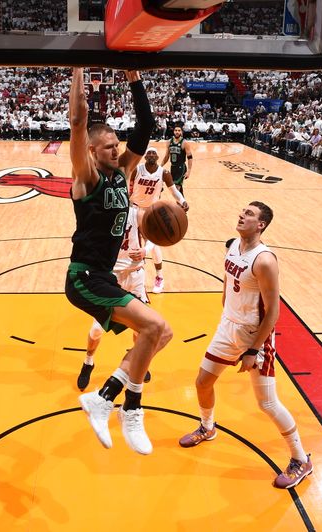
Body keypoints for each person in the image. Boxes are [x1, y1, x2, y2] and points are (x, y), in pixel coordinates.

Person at [67, 68, 171, 455]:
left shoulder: (124, 171)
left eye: (116, 144)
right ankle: (128, 406)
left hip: (105, 277)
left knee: (161, 334)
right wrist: (78, 68)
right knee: (155, 325)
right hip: (83, 278)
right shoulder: (87, 177)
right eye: (108, 145)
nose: (117, 149)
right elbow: (78, 121)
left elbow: (145, 125)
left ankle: (109, 397)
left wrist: (135, 78)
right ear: (92, 151)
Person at [178, 201, 313, 489]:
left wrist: (253, 350)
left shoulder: (264, 260)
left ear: (261, 224)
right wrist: (226, 308)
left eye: (249, 214)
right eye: (242, 211)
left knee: (267, 403)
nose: (242, 214)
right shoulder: (232, 246)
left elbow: (274, 311)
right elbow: (228, 283)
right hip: (228, 328)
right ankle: (208, 427)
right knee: (202, 382)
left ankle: (301, 459)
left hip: (255, 336)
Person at [77, 204, 152, 390]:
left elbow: (154, 237)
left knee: (141, 328)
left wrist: (145, 251)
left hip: (135, 275)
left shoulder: (137, 213)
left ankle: (137, 358)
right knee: (97, 329)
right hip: (111, 277)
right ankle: (88, 362)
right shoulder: (100, 212)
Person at [130, 146, 188, 293]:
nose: (150, 155)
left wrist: (182, 201)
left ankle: (159, 277)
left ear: (157, 157)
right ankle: (129, 275)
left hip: (151, 211)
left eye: (153, 153)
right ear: (145, 156)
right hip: (133, 209)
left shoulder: (164, 173)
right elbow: (127, 188)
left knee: (154, 245)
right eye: (148, 152)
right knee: (128, 242)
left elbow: (174, 192)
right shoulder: (137, 170)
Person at [161, 125, 194, 196]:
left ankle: (178, 205)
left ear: (181, 132)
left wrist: (189, 171)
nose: (177, 132)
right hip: (173, 167)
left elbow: (190, 157)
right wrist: (160, 166)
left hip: (181, 168)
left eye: (179, 130)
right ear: (173, 131)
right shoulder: (169, 142)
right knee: (177, 188)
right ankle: (183, 203)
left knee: (176, 188)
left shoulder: (185, 143)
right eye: (176, 130)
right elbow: (167, 156)